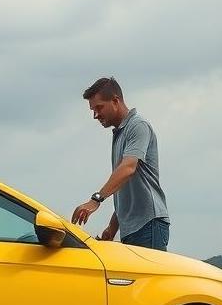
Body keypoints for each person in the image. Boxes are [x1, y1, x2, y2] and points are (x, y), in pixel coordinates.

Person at [71, 76, 171, 250]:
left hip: (149, 224)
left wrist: (96, 200)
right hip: (131, 229)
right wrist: (112, 228)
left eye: (99, 107)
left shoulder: (138, 126)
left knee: (150, 278)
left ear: (115, 101)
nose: (95, 115)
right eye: (92, 110)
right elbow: (124, 186)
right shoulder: (119, 135)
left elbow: (128, 169)